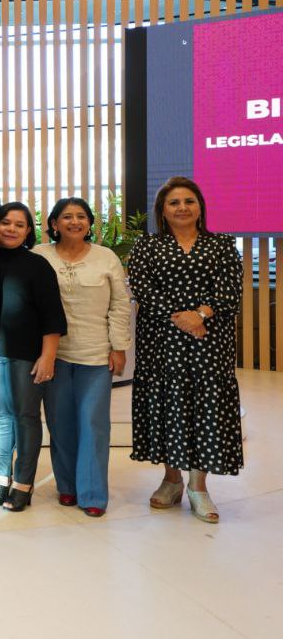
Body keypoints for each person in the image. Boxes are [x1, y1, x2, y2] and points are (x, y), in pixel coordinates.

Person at [128, 177, 243, 524]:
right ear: (162, 210)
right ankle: (172, 479)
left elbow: (230, 292)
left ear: (200, 207)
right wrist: (183, 319)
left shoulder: (222, 245)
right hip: (161, 340)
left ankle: (198, 486)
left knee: (206, 405)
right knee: (167, 402)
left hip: (210, 339)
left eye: (189, 201)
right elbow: (143, 289)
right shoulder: (147, 245)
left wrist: (201, 315)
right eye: (174, 202)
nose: (182, 207)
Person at [32, 197, 131, 517]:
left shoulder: (106, 257)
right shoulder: (39, 255)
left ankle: (93, 494)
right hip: (53, 355)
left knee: (93, 424)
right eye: (66, 216)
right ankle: (68, 486)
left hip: (96, 354)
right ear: (54, 223)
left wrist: (118, 347)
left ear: (89, 223)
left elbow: (119, 305)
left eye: (81, 216)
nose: (74, 222)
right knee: (60, 423)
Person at [0, 203, 66, 512]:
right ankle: (0, 478)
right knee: (1, 416)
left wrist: (48, 356)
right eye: (5, 222)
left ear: (29, 231)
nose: (12, 229)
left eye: (20, 225)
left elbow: (52, 316)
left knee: (26, 416)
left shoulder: (38, 265)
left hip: (29, 356)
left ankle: (23, 483)